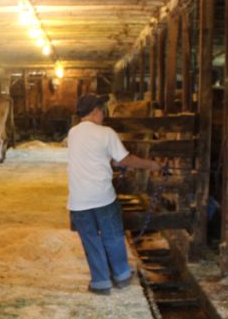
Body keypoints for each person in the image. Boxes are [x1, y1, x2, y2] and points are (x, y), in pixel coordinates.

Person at [67, 93, 161, 295]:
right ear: (95, 111)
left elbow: (94, 156)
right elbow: (126, 159)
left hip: (78, 200)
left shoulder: (73, 133)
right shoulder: (106, 133)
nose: (104, 114)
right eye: (102, 110)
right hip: (102, 197)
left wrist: (113, 161)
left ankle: (100, 282)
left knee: (91, 240)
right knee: (113, 236)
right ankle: (121, 275)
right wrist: (151, 165)